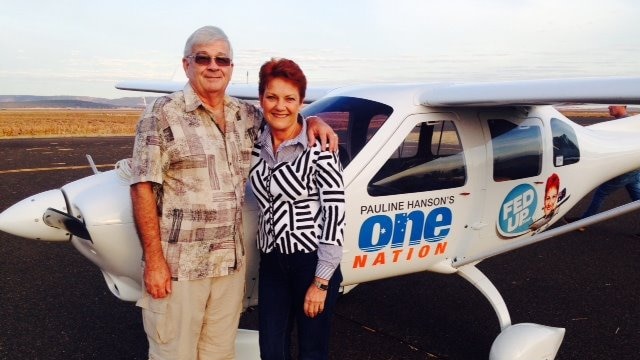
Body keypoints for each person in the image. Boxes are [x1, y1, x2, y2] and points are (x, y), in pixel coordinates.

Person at [129, 26, 338, 360]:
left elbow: (284, 113)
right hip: (180, 267)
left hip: (228, 268)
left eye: (222, 59)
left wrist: (314, 121)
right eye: (203, 58)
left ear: (230, 68)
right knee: (173, 353)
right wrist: (154, 261)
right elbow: (142, 186)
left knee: (218, 353)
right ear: (187, 65)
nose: (214, 65)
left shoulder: (245, 115)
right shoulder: (161, 114)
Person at [249, 58, 345, 360]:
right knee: (271, 349)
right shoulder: (255, 144)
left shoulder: (320, 150)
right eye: (272, 96)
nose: (281, 106)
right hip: (272, 263)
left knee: (311, 351)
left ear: (302, 102)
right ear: (261, 99)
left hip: (311, 264)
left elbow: (335, 215)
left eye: (290, 98)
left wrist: (321, 281)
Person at [564, 105, 640, 231]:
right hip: (633, 168)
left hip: (625, 170)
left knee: (601, 193)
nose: (609, 107)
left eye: (613, 104)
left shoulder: (623, 124)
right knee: (637, 198)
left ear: (623, 105)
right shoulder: (627, 122)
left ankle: (583, 222)